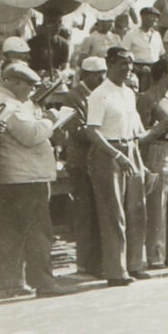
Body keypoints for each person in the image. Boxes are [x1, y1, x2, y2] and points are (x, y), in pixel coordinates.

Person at [86, 47, 168, 286]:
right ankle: (116, 271)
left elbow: (138, 134)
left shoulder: (127, 94)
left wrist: (158, 129)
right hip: (108, 154)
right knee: (114, 214)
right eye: (123, 63)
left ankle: (135, 265)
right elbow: (92, 131)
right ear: (110, 64)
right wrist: (116, 154)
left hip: (131, 150)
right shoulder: (99, 94)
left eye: (131, 64)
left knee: (138, 209)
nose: (128, 69)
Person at [0, 63, 74, 297]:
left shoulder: (13, 103)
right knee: (37, 233)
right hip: (24, 177)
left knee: (12, 233)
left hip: (19, 176)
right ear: (13, 82)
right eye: (29, 85)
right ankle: (42, 281)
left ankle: (9, 282)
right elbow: (31, 135)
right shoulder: (8, 104)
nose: (32, 90)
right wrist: (50, 120)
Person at [136, 57, 168, 269]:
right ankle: (155, 255)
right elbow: (141, 131)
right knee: (158, 203)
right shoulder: (147, 98)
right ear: (164, 75)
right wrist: (160, 128)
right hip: (157, 150)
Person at [63, 56, 107, 276]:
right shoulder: (72, 97)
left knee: (99, 213)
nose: (102, 78)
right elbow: (75, 129)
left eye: (103, 73)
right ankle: (85, 262)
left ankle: (97, 260)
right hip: (81, 162)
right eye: (98, 74)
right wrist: (102, 133)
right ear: (86, 75)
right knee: (85, 213)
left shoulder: (102, 93)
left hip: (99, 160)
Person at [27, 12, 70, 77]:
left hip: (54, 81)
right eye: (53, 21)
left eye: (60, 22)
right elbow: (26, 67)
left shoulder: (64, 44)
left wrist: (60, 74)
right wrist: (39, 73)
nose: (58, 25)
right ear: (45, 23)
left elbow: (65, 68)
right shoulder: (32, 43)